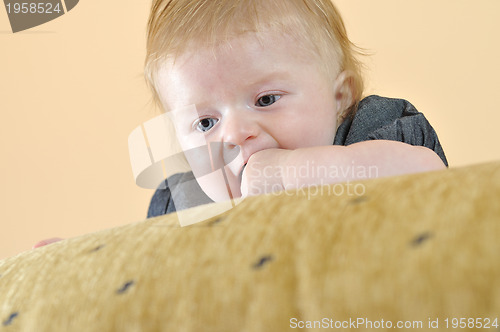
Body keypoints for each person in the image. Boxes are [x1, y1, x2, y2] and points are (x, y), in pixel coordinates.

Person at [145, 0, 447, 218]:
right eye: (206, 123)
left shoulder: (371, 132)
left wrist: (286, 174)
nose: (235, 135)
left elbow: (427, 175)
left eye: (266, 100)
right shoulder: (179, 205)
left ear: (340, 98)